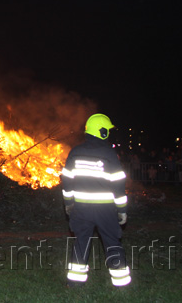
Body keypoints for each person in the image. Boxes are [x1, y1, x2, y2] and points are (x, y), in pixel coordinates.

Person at [62, 113, 131, 288]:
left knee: (81, 242)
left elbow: (67, 180)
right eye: (107, 130)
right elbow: (118, 184)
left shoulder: (75, 152)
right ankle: (121, 283)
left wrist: (69, 204)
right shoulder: (109, 154)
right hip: (105, 209)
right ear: (102, 132)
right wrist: (122, 210)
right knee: (112, 242)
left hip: (81, 208)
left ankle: (75, 282)